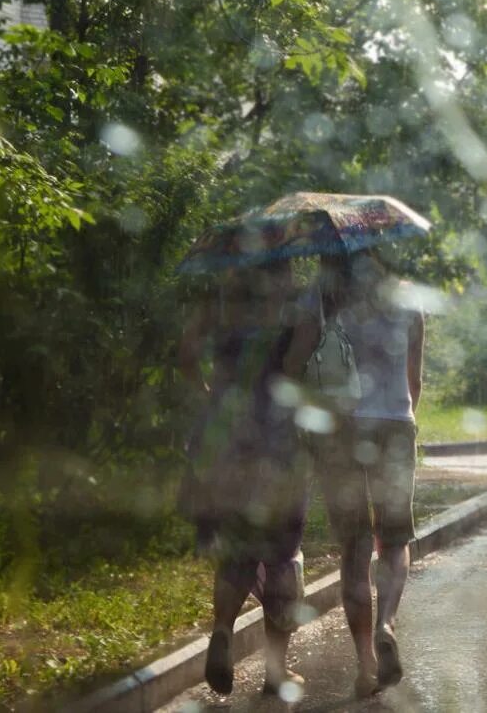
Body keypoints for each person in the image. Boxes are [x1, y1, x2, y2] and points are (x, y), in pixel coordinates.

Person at [286, 251, 424, 697]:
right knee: (394, 539)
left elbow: (293, 367)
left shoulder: (324, 296)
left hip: (342, 430)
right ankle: (386, 623)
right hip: (396, 425)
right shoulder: (408, 299)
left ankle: (365, 663)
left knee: (354, 548)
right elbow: (414, 382)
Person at [177, 260, 314, 697]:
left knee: (237, 547)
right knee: (281, 553)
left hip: (224, 442)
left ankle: (222, 631)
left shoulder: (220, 302)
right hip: (274, 443)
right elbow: (292, 371)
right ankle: (276, 671)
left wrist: (210, 397)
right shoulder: (292, 307)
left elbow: (184, 355)